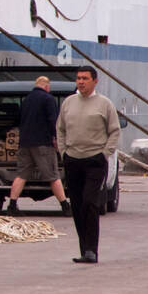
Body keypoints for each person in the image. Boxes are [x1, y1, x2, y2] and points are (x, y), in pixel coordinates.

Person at [56, 66, 120, 264]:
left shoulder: (104, 104)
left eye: (85, 78)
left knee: (90, 202)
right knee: (76, 205)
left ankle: (92, 250)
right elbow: (60, 129)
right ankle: (84, 249)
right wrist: (63, 152)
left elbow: (115, 131)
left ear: (95, 81)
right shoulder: (68, 103)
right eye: (78, 78)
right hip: (72, 159)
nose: (81, 82)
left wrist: (104, 154)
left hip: (95, 160)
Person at [7, 75, 71, 216]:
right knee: (53, 176)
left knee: (21, 175)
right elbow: (53, 121)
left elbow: (17, 120)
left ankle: (12, 206)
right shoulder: (48, 99)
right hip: (43, 144)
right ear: (47, 87)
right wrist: (56, 140)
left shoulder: (27, 100)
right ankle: (65, 206)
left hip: (24, 144)